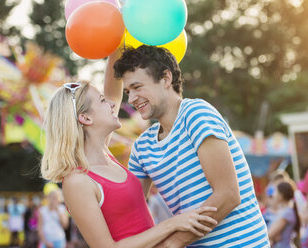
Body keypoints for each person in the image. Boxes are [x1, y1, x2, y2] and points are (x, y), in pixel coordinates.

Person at [40, 50, 218, 248]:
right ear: (86, 118)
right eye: (101, 101)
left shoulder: (105, 155)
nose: (112, 104)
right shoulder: (77, 181)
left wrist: (116, 41)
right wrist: (170, 225)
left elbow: (112, 90)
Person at [113, 45, 270, 247]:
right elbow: (131, 213)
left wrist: (173, 243)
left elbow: (228, 195)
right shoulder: (142, 147)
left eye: (137, 87)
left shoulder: (195, 113)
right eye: (127, 91)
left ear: (166, 79)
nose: (131, 99)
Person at [268, 180, 300, 247]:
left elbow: (270, 234)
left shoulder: (287, 213)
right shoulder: (284, 211)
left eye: (276, 191)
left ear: (281, 195)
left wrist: (274, 237)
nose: (273, 194)